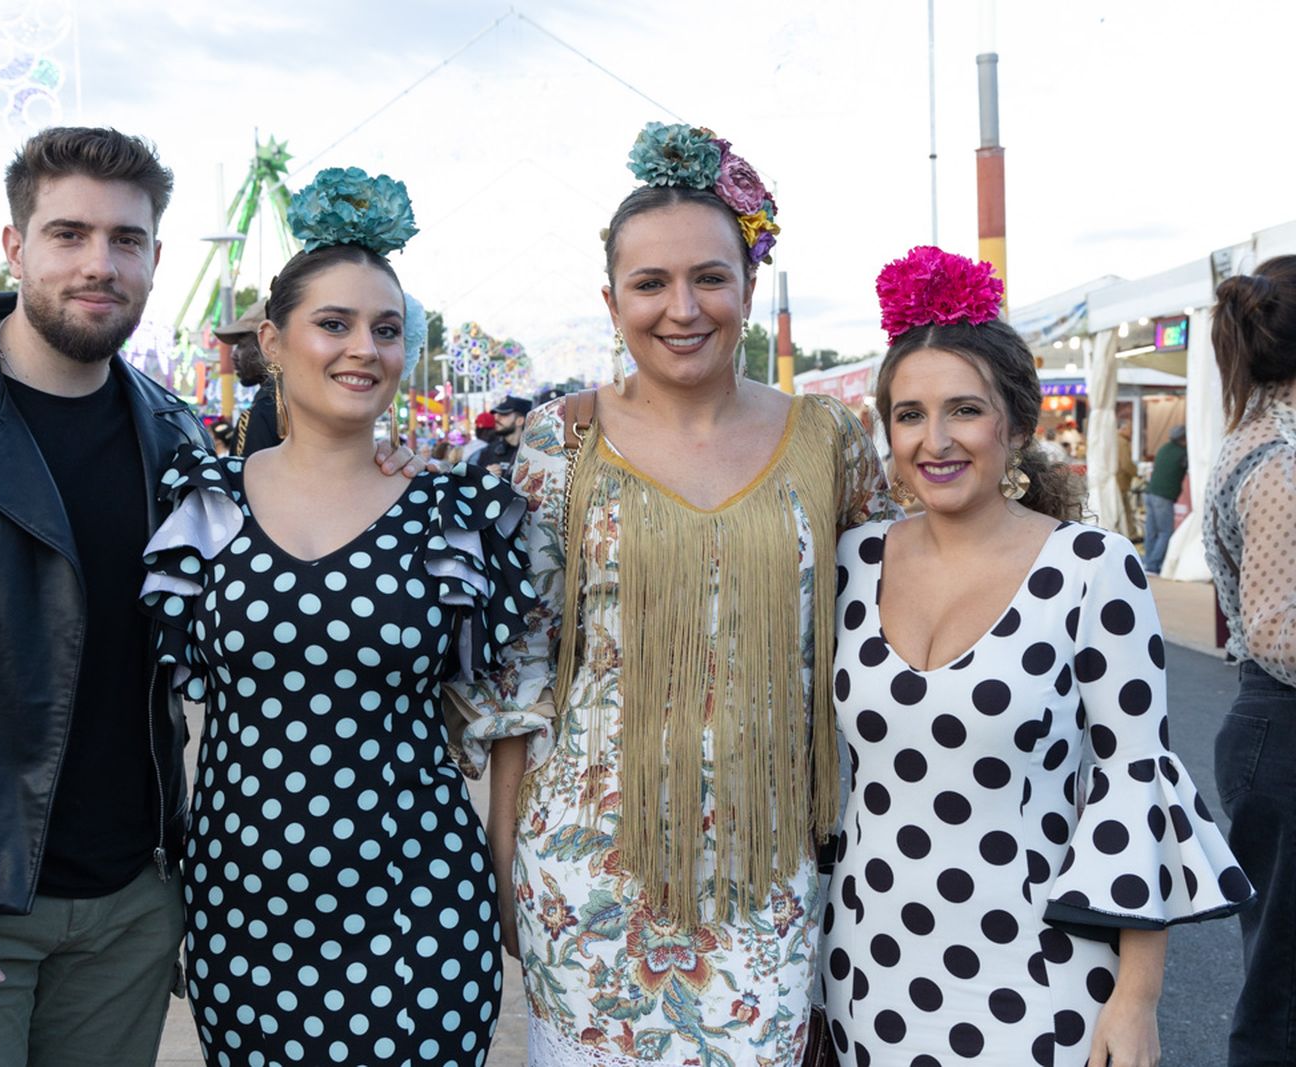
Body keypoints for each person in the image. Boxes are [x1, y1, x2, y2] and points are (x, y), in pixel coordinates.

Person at [0, 127, 427, 1067]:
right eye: (69, 234)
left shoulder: (170, 437)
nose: (99, 264)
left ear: (156, 258)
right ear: (15, 247)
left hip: (128, 904)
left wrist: (384, 479)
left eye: (126, 241)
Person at [456, 122, 895, 1066]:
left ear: (748, 286)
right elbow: (521, 675)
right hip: (583, 872)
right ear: (611, 300)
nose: (682, 308)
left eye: (709, 277)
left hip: (773, 870)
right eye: (650, 284)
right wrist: (503, 873)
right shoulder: (558, 443)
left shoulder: (832, 440)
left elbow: (880, 649)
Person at [137, 167, 526, 1064]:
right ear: (273, 341)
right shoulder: (200, 502)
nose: (365, 349)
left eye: (387, 329)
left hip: (420, 903)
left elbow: (518, 703)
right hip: (244, 907)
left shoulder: (451, 512)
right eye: (335, 323)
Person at [826, 246, 1251, 1067]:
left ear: (1017, 425)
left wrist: (1137, 998)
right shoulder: (853, 561)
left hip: (1039, 969)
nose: (935, 440)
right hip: (865, 963)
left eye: (964, 411)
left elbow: (1135, 780)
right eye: (910, 414)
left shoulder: (1091, 568)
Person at [1203, 255, 1296, 1066]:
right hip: (1285, 730)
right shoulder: (1282, 457)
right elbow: (1275, 629)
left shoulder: (1266, 436)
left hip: (1274, 732)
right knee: (1279, 997)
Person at [215, 297, 282, 458]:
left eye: (242, 345)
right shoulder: (305, 402)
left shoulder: (262, 412)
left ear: (268, 342)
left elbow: (244, 480)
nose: (234, 355)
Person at [1142, 425, 1187, 573]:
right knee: (1165, 532)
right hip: (1163, 496)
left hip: (1149, 493)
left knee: (1151, 531)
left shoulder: (1163, 448)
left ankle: (1148, 561)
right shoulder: (1183, 453)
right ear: (1184, 438)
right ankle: (1154, 565)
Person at [467, 394, 530, 479]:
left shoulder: (534, 452)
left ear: (520, 420)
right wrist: (484, 475)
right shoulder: (487, 452)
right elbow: (473, 485)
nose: (496, 418)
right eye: (496, 414)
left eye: (504, 414)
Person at [1116, 421, 1139, 540]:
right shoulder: (1122, 442)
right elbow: (1126, 464)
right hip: (1121, 482)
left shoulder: (1115, 439)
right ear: (1124, 429)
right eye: (1131, 430)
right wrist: (1136, 473)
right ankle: (1131, 534)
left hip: (1118, 482)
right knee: (1125, 511)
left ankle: (1130, 533)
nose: (1132, 433)